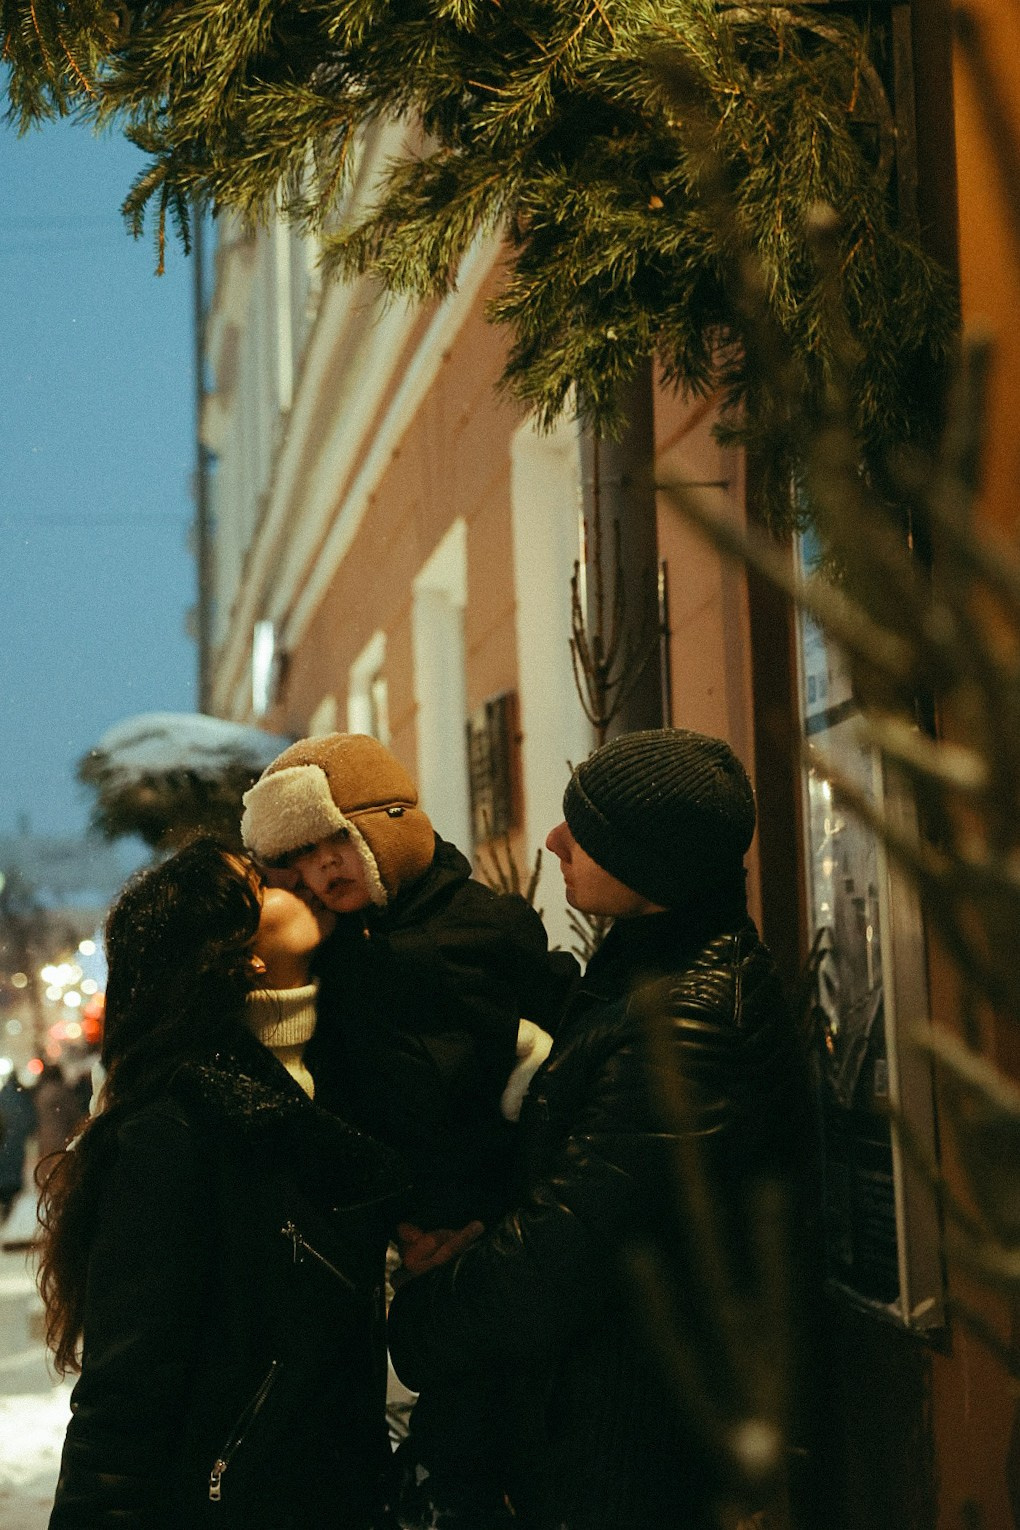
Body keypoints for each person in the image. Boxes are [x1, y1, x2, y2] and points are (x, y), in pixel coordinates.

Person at [387, 727, 814, 1530]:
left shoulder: (688, 1022)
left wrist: (421, 1311)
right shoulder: (643, 981)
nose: (552, 841)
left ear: (652, 866)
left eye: (583, 831)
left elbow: (571, 1248)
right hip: (604, 1428)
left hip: (635, 1455)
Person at [240, 730, 578, 1526]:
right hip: (421, 1239)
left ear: (387, 821)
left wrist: (483, 1213)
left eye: (337, 841)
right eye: (305, 856)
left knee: (487, 1459)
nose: (325, 867)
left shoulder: (479, 929)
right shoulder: (349, 949)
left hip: (496, 1232)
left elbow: (514, 1089)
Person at [40, 837, 405, 1530]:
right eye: (260, 885)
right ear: (237, 957)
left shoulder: (344, 1082)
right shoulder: (177, 1129)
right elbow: (127, 1389)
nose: (294, 879)